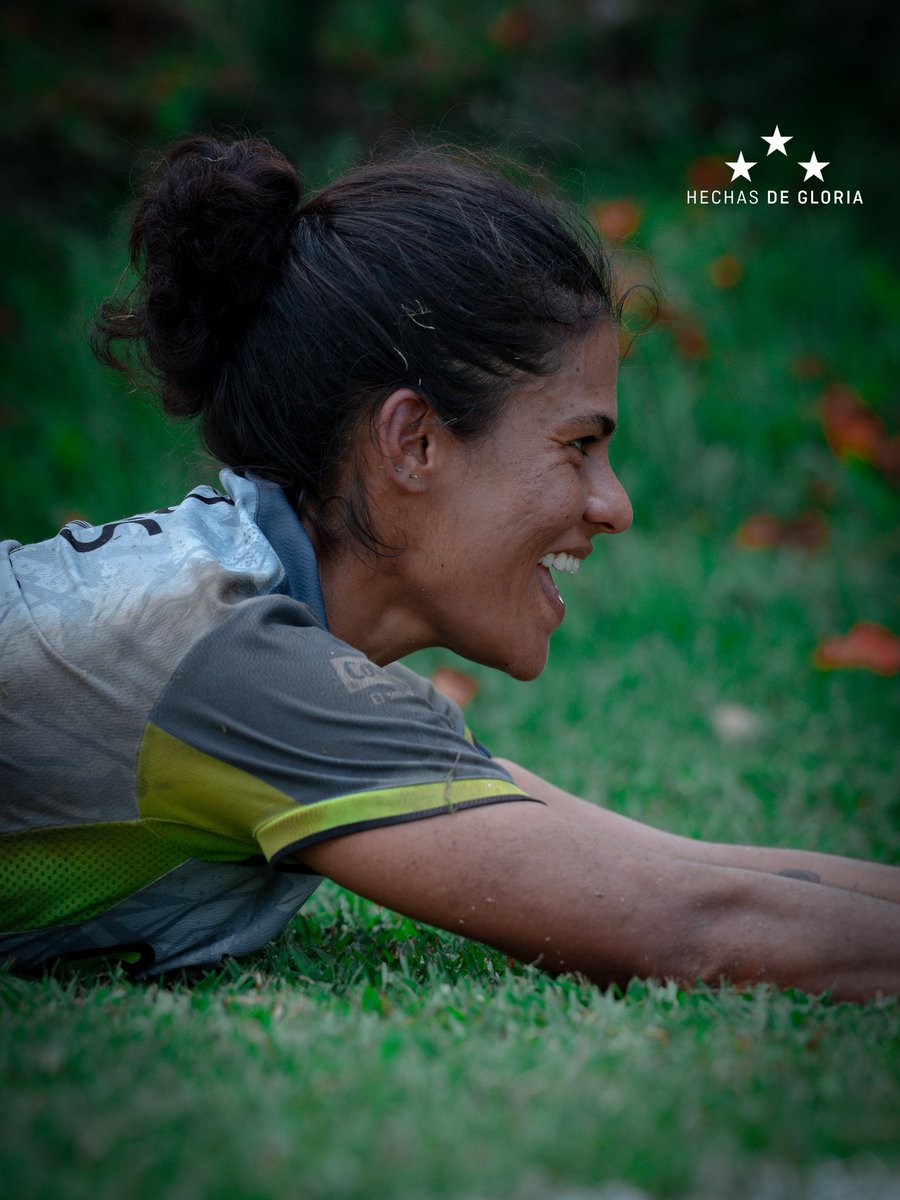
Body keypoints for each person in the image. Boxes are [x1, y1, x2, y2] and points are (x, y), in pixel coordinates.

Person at [1, 136, 898, 1000]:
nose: (616, 505)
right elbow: (689, 926)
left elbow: (677, 865)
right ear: (414, 442)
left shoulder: (261, 626)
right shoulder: (242, 666)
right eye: (579, 445)